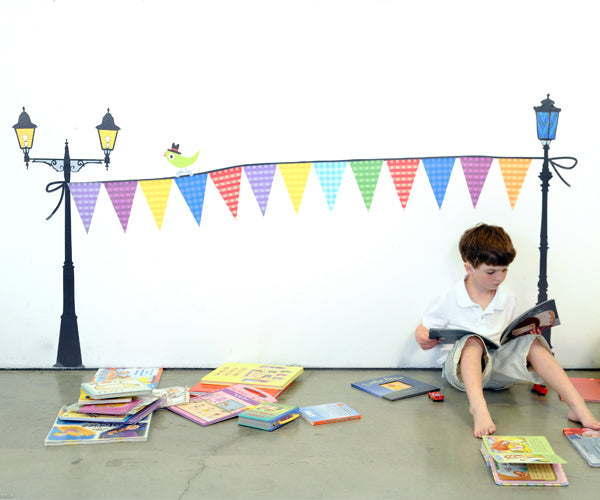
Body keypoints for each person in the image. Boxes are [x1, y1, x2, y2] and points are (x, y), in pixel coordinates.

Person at [415, 223, 600, 438]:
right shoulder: (451, 297)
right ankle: (478, 408)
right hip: (463, 375)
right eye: (491, 272)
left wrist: (528, 335)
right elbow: (424, 328)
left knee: (533, 343)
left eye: (504, 270)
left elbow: (513, 335)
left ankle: (577, 406)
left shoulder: (507, 297)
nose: (499, 278)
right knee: (473, 342)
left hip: (501, 372)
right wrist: (422, 337)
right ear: (469, 268)